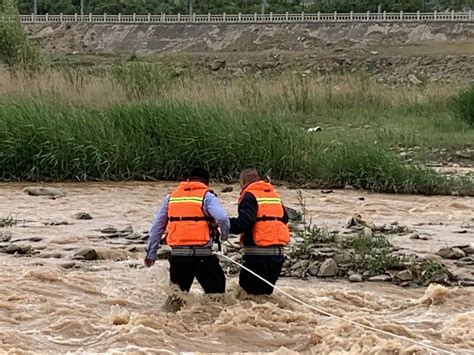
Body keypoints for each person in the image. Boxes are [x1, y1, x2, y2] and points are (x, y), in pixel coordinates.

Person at [144, 168, 230, 295]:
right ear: (207, 183)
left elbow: (157, 227)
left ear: (188, 180)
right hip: (203, 257)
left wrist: (151, 254)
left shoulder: (171, 197)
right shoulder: (207, 196)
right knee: (217, 297)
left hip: (179, 257)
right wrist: (224, 235)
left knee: (177, 299)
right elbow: (222, 218)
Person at [230, 167, 290, 295]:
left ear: (243, 180)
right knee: (264, 298)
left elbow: (245, 222)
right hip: (277, 258)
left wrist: (224, 225)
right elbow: (284, 218)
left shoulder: (249, 195)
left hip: (257, 257)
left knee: (247, 296)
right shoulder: (273, 195)